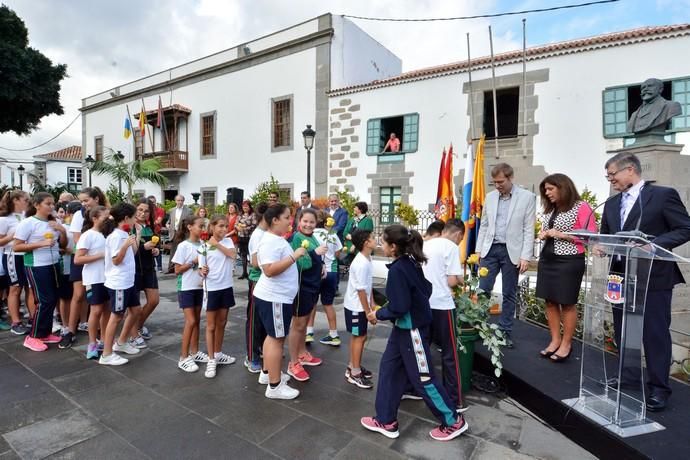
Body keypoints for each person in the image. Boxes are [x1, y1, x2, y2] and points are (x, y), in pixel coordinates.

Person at [600, 152, 690, 411]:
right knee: (624, 331)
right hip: (619, 276)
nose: (610, 179)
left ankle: (659, 388)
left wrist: (654, 245)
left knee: (655, 335)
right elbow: (607, 235)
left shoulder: (662, 195)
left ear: (630, 170)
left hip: (653, 277)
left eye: (612, 174)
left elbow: (685, 227)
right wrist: (602, 246)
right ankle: (628, 377)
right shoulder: (610, 203)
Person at [361, 224, 467, 441]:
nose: (380, 244)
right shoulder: (410, 262)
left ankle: (453, 420)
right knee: (389, 369)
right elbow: (425, 289)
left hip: (412, 331)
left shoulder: (400, 269)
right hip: (403, 330)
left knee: (424, 377)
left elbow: (399, 306)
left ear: (393, 247)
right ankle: (386, 420)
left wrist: (378, 314)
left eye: (383, 240)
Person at [536, 174, 597, 362]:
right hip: (548, 259)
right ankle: (555, 340)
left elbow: (591, 236)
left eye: (550, 189)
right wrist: (544, 233)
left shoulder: (581, 206)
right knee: (550, 301)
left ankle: (566, 344)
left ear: (562, 187)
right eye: (545, 190)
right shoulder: (551, 208)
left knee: (567, 302)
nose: (547, 193)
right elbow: (550, 230)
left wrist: (563, 235)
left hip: (569, 260)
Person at [475, 163, 536, 348]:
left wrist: (526, 256)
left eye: (500, 181)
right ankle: (480, 328)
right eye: (494, 182)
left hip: (513, 251)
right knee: (483, 290)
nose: (497, 185)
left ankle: (504, 332)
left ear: (510, 178)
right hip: (489, 250)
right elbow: (484, 224)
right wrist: (478, 249)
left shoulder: (527, 197)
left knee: (509, 293)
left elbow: (528, 228)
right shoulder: (490, 197)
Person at [253, 204, 306, 399]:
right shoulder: (271, 242)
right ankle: (275, 387)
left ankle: (268, 374)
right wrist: (294, 256)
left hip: (276, 297)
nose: (289, 221)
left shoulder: (275, 239)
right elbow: (268, 269)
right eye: (286, 217)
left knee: (272, 336)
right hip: (275, 298)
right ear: (275, 220)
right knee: (276, 339)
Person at [421, 218, 467, 412]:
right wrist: (461, 281)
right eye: (460, 239)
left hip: (424, 304)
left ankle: (415, 388)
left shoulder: (426, 244)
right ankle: (455, 399)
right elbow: (451, 281)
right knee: (450, 353)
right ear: (458, 234)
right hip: (442, 305)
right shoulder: (451, 247)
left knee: (422, 350)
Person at [14, 193, 67, 352]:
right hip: (37, 265)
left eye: (53, 204)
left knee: (52, 299)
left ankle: (44, 333)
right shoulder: (28, 223)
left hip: (54, 263)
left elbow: (62, 244)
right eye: (48, 204)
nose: (52, 207)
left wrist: (62, 231)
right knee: (44, 300)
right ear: (37, 205)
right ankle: (33, 337)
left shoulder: (55, 222)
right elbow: (16, 247)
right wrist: (41, 243)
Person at [60, 186, 109, 349]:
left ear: (96, 199)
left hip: (102, 261)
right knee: (79, 294)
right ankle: (70, 331)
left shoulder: (106, 213)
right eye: (81, 201)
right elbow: (77, 238)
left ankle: (100, 334)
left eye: (86, 200)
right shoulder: (79, 214)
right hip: (84, 256)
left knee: (101, 298)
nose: (83, 204)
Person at [99, 203, 142, 366]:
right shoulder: (117, 236)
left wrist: (136, 235)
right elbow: (116, 260)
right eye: (133, 217)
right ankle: (107, 354)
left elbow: (133, 253)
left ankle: (122, 342)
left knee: (136, 310)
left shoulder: (124, 233)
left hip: (127, 281)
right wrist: (125, 246)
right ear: (125, 218)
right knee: (116, 316)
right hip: (119, 283)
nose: (135, 220)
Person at [287, 209, 326, 382]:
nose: (309, 225)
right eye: (305, 221)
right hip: (302, 287)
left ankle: (302, 354)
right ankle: (293, 362)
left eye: (312, 222)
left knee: (304, 324)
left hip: (312, 285)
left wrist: (322, 264)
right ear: (298, 221)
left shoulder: (312, 237)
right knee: (298, 324)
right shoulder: (296, 238)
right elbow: (300, 263)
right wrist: (315, 254)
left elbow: (316, 259)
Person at [202, 215, 237, 378]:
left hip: (226, 286)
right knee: (211, 325)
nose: (223, 229)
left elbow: (232, 255)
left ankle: (218, 353)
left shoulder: (229, 242)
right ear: (212, 227)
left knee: (222, 322)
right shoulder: (204, 246)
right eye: (220, 226)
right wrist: (201, 270)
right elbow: (201, 268)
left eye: (225, 226)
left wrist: (217, 245)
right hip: (212, 288)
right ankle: (210, 360)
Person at [172, 215, 209, 373]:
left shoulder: (202, 244)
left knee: (197, 321)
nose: (203, 229)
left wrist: (204, 269)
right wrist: (194, 262)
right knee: (191, 321)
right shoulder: (183, 246)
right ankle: (183, 356)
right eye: (200, 226)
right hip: (186, 287)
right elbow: (177, 270)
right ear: (190, 227)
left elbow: (203, 265)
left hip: (198, 287)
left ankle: (194, 352)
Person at [74, 206, 110, 360]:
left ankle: (104, 340)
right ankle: (92, 343)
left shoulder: (109, 235)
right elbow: (78, 259)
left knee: (108, 309)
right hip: (94, 278)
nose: (109, 220)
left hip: (108, 278)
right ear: (95, 218)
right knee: (96, 310)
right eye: (105, 217)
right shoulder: (88, 235)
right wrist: (100, 255)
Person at [344, 229, 377, 389]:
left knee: (359, 337)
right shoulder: (361, 263)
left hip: (359, 306)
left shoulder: (367, 258)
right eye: (372, 238)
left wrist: (372, 303)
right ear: (366, 243)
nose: (375, 239)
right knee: (359, 337)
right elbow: (361, 290)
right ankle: (354, 373)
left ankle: (353, 365)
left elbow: (367, 286)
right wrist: (368, 312)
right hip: (356, 307)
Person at [307, 210, 343, 346]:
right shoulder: (332, 234)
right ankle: (334, 334)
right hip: (332, 271)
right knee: (328, 304)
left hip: (316, 272)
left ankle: (308, 332)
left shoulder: (311, 234)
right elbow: (338, 254)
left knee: (312, 303)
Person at [0, 190, 32, 335]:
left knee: (30, 287)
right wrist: (11, 237)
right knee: (15, 288)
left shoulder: (27, 216)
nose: (28, 202)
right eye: (26, 199)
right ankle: (16, 322)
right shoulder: (4, 219)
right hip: (13, 255)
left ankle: (32, 318)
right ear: (16, 200)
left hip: (28, 254)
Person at [244, 202, 268, 373]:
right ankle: (251, 356)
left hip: (267, 281)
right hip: (257, 280)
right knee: (254, 320)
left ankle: (262, 348)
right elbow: (254, 262)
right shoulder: (258, 235)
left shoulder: (266, 234)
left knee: (264, 320)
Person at [132, 198, 160, 344]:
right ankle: (132, 332)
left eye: (146, 211)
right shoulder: (129, 227)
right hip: (134, 269)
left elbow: (157, 246)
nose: (143, 213)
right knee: (134, 305)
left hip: (149, 268)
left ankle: (138, 325)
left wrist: (156, 250)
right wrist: (143, 247)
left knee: (154, 300)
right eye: (140, 210)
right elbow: (127, 250)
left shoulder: (151, 228)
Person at [56, 201, 81, 338]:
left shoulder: (84, 227)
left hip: (78, 266)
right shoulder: (63, 228)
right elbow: (56, 246)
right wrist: (67, 249)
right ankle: (65, 325)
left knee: (78, 296)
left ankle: (78, 321)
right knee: (65, 297)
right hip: (65, 265)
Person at [166, 195, 192, 273]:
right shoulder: (171, 210)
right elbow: (169, 221)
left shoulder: (189, 211)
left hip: (184, 233)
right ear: (175, 201)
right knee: (173, 251)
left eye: (181, 200)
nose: (180, 202)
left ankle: (183, 268)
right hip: (174, 233)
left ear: (183, 201)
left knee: (184, 251)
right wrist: (167, 225)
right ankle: (170, 269)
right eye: (178, 200)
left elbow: (191, 221)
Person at [236, 200, 257, 280]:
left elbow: (254, 225)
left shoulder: (253, 215)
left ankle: (252, 271)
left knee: (251, 254)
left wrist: (244, 228)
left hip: (249, 237)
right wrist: (238, 227)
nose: (245, 207)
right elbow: (236, 224)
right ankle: (244, 272)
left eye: (246, 206)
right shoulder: (240, 215)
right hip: (241, 237)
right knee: (243, 255)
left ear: (249, 207)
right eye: (244, 206)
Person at [148, 195, 165, 273]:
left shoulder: (160, 210)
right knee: (148, 249)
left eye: (153, 202)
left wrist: (148, 223)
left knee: (157, 248)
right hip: (146, 232)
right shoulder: (146, 211)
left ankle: (159, 266)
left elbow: (158, 221)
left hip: (156, 232)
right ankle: (151, 266)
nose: (152, 204)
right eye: (150, 202)